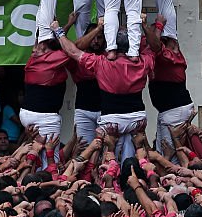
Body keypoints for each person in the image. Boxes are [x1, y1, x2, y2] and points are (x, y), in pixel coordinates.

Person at [52, 20, 154, 163]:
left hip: (112, 121)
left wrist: (58, 31)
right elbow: (155, 47)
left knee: (107, 160)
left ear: (110, 44)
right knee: (131, 162)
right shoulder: (144, 61)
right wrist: (143, 25)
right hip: (136, 120)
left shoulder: (100, 62)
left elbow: (72, 51)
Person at [143, 14, 196, 153]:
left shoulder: (170, 56)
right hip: (167, 111)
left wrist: (156, 25)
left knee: (171, 152)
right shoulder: (156, 53)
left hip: (175, 110)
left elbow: (155, 45)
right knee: (163, 150)